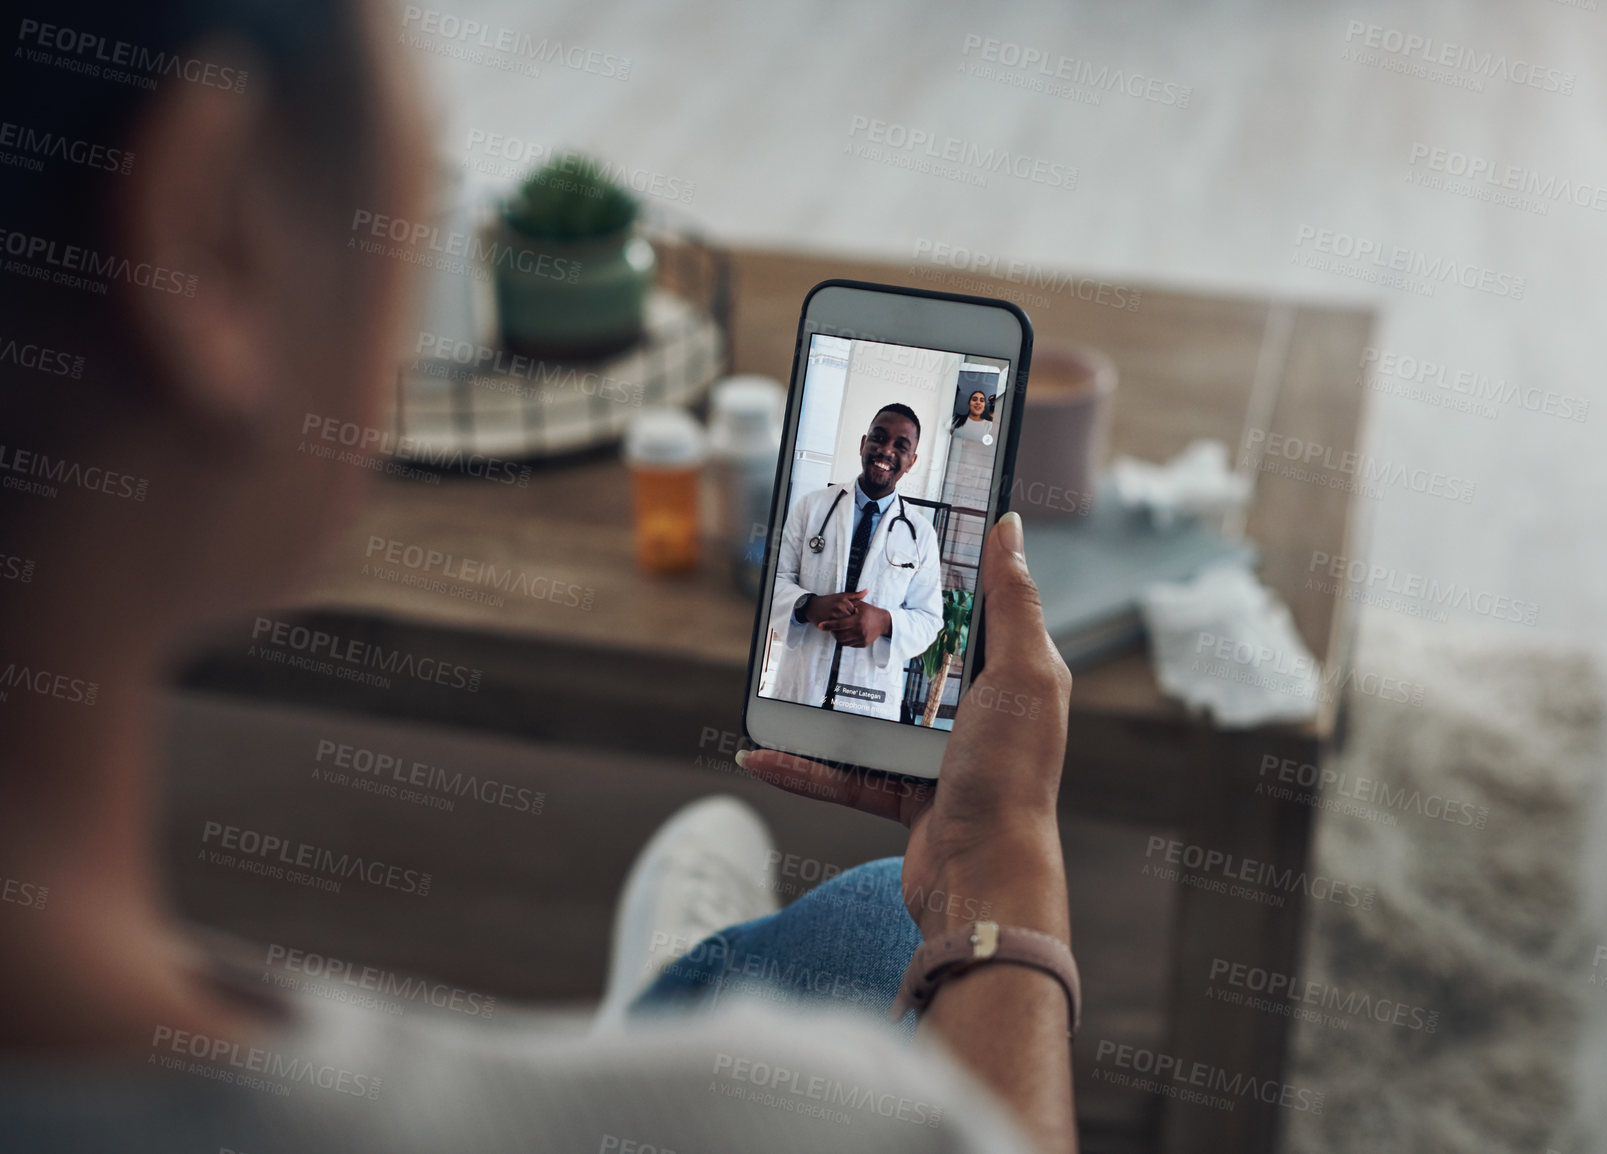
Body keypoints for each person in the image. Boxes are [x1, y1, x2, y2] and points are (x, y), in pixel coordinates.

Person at [0, 2, 1078, 1152]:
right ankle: (663, 983)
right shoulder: (816, 1126)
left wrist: (876, 622)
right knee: (877, 910)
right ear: (205, 231)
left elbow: (902, 622)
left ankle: (674, 969)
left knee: (861, 899)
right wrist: (1004, 855)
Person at [767, 404, 944, 719]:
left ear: (912, 461)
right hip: (801, 687)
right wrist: (808, 605)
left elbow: (930, 620)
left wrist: (884, 621)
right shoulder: (812, 507)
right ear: (864, 443)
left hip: (867, 697)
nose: (886, 450)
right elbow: (773, 581)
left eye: (901, 446)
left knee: (853, 767)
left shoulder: (921, 535)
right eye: (878, 438)